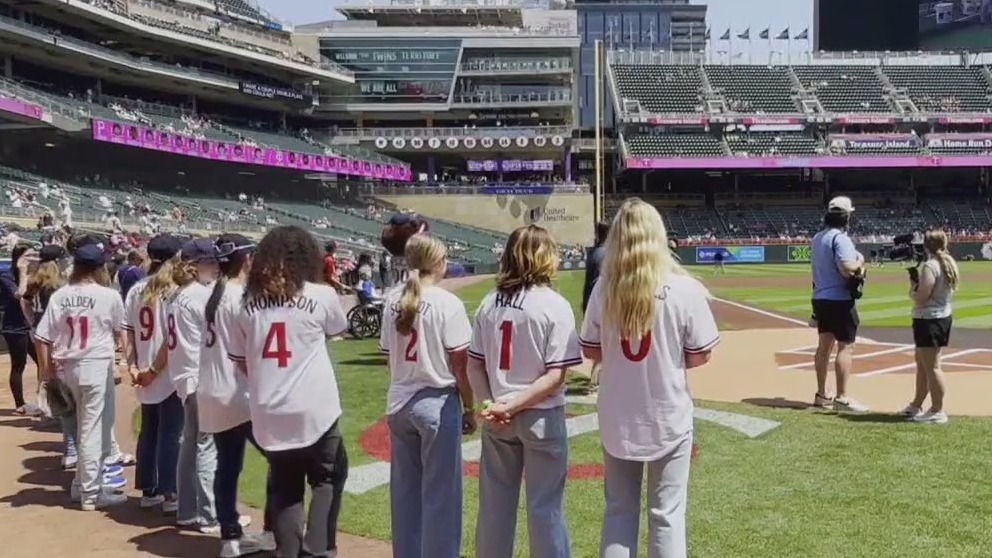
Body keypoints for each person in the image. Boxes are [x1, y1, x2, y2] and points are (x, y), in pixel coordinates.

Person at [579, 198, 719, 558]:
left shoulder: (604, 288)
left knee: (619, 513)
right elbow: (701, 354)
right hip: (667, 412)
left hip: (617, 415)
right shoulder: (683, 289)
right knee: (667, 515)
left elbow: (591, 351)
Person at [227, 226, 350, 558]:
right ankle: (319, 549)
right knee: (326, 479)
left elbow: (241, 362)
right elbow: (338, 328)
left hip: (269, 410)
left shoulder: (246, 302)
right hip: (316, 407)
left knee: (285, 489)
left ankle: (290, 552)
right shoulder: (321, 294)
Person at [468, 224, 581, 558]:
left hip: (498, 415)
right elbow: (556, 375)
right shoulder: (554, 305)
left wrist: (493, 405)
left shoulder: (489, 302)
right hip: (540, 417)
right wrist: (514, 405)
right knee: (545, 508)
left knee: (494, 507)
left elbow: (474, 365)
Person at [378, 234, 474, 558]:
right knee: (442, 497)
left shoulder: (392, 298)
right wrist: (470, 407)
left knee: (405, 496)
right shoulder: (449, 303)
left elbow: (387, 358)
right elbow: (460, 367)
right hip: (436, 402)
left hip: (399, 402)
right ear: (437, 262)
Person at [35, 243, 127, 510]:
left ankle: (79, 486)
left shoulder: (60, 295)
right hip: (95, 365)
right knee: (93, 430)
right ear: (99, 268)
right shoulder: (108, 296)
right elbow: (122, 333)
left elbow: (42, 338)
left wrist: (47, 373)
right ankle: (90, 493)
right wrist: (125, 362)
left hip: (66, 366)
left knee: (80, 427)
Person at [201, 234, 277, 557]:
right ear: (246, 260)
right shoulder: (240, 297)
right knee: (281, 458)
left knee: (227, 466)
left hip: (213, 392)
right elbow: (253, 352)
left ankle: (230, 537)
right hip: (238, 392)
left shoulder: (212, 295)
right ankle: (273, 531)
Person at [125, 234, 184, 514]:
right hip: (167, 370)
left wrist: (134, 367)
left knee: (149, 430)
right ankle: (170, 494)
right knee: (171, 433)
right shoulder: (175, 291)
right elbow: (172, 336)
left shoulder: (136, 288)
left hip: (145, 369)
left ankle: (149, 491)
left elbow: (128, 331)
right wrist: (154, 369)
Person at [166, 238, 221, 531]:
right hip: (199, 376)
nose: (215, 267)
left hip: (183, 376)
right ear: (192, 265)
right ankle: (210, 516)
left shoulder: (175, 295)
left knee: (190, 444)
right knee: (205, 446)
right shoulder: (200, 295)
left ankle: (186, 510)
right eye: (209, 262)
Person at [810, 196, 867, 412]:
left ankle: (822, 394)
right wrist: (860, 263)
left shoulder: (817, 238)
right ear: (847, 217)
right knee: (846, 347)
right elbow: (847, 268)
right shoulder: (840, 238)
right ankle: (842, 396)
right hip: (840, 300)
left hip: (820, 298)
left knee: (823, 348)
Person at [22, 244, 74, 467]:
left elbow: (23, 299)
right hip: (55, 335)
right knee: (61, 380)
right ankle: (56, 412)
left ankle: (50, 409)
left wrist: (32, 322)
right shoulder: (57, 286)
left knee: (47, 373)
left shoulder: (36, 280)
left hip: (40, 332)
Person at [901, 230, 959, 424]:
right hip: (940, 316)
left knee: (932, 367)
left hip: (929, 319)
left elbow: (922, 297)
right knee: (923, 363)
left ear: (926, 246)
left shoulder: (931, 265)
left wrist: (912, 289)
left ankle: (937, 409)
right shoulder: (948, 262)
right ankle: (917, 404)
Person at [1, 244, 41, 416]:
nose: (33, 259)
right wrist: (23, 272)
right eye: (29, 256)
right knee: (19, 365)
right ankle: (19, 404)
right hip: (13, 326)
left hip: (29, 325)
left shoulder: (33, 274)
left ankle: (43, 400)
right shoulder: (6, 275)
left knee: (42, 362)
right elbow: (19, 295)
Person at [581, 221, 610, 391]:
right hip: (599, 302)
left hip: (589, 300)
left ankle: (595, 380)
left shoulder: (594, 252)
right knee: (603, 347)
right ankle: (595, 383)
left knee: (599, 347)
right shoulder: (605, 253)